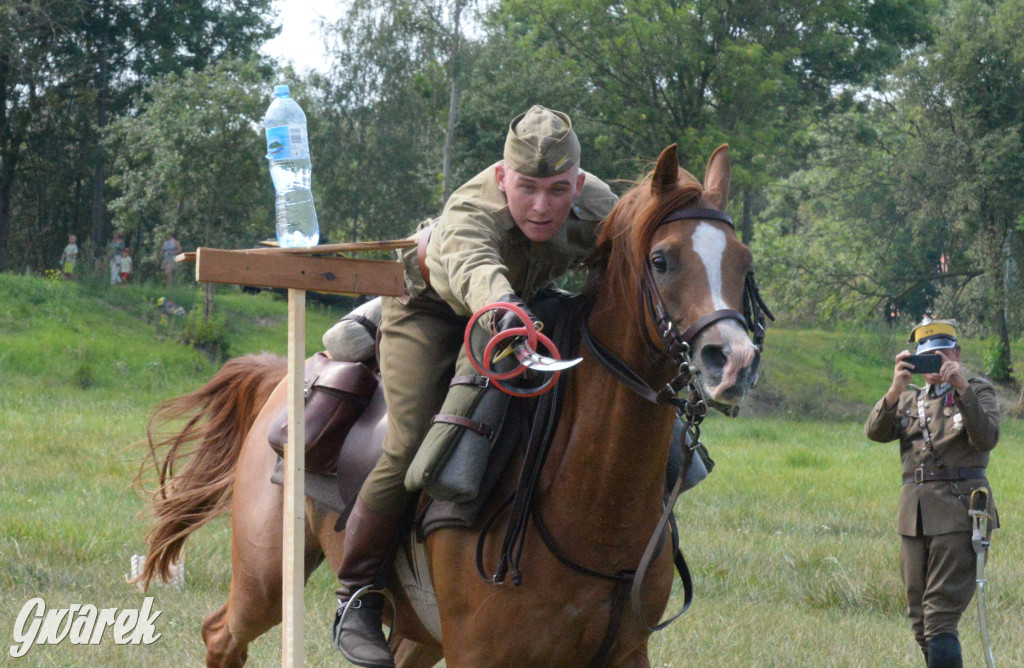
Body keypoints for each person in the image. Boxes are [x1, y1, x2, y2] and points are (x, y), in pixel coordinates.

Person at [331, 105, 618, 668]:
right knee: (413, 439)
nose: (542, 206)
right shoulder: (469, 209)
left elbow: (638, 249)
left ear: (579, 184)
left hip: (527, 308)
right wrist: (504, 308)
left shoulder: (597, 207)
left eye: (558, 190)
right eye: (528, 188)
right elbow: (474, 269)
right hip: (434, 311)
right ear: (503, 176)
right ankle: (356, 596)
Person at [865, 317, 1000, 667]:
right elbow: (875, 432)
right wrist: (895, 389)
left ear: (956, 354)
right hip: (914, 518)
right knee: (920, 620)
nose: (933, 365)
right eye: (925, 358)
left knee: (939, 617)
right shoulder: (909, 400)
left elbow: (986, 438)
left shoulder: (978, 391)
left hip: (959, 514)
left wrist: (962, 390)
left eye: (940, 356)